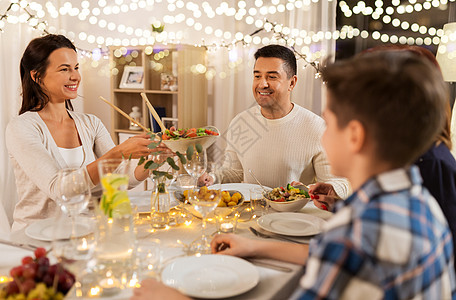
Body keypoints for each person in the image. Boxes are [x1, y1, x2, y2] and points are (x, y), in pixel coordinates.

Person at [131, 51, 456, 299]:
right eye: (257, 75)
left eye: (331, 122)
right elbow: (334, 252)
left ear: (355, 135)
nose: (323, 132)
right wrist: (256, 247)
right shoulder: (410, 198)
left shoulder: (360, 231)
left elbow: (344, 249)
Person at [5, 34, 163, 231]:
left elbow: (122, 176)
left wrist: (155, 157)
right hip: (38, 238)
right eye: (64, 69)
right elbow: (59, 189)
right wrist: (120, 152)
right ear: (36, 76)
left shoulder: (90, 123)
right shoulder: (22, 127)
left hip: (85, 232)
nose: (75, 77)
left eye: (76, 68)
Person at [215, 44, 350, 199]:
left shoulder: (317, 127)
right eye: (257, 76)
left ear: (292, 83)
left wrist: (310, 190)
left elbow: (338, 183)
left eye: (272, 77)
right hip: (249, 217)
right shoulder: (241, 122)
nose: (262, 84)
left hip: (293, 219)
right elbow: (234, 173)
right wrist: (211, 179)